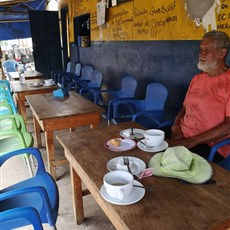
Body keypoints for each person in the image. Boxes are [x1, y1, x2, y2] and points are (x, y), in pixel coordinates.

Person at [167, 30, 230, 163]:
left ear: (221, 53)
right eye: (201, 50)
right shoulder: (197, 79)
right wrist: (176, 127)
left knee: (172, 167)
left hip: (209, 144)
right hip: (183, 135)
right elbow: (184, 108)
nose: (201, 54)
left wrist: (191, 141)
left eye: (206, 50)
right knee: (147, 145)